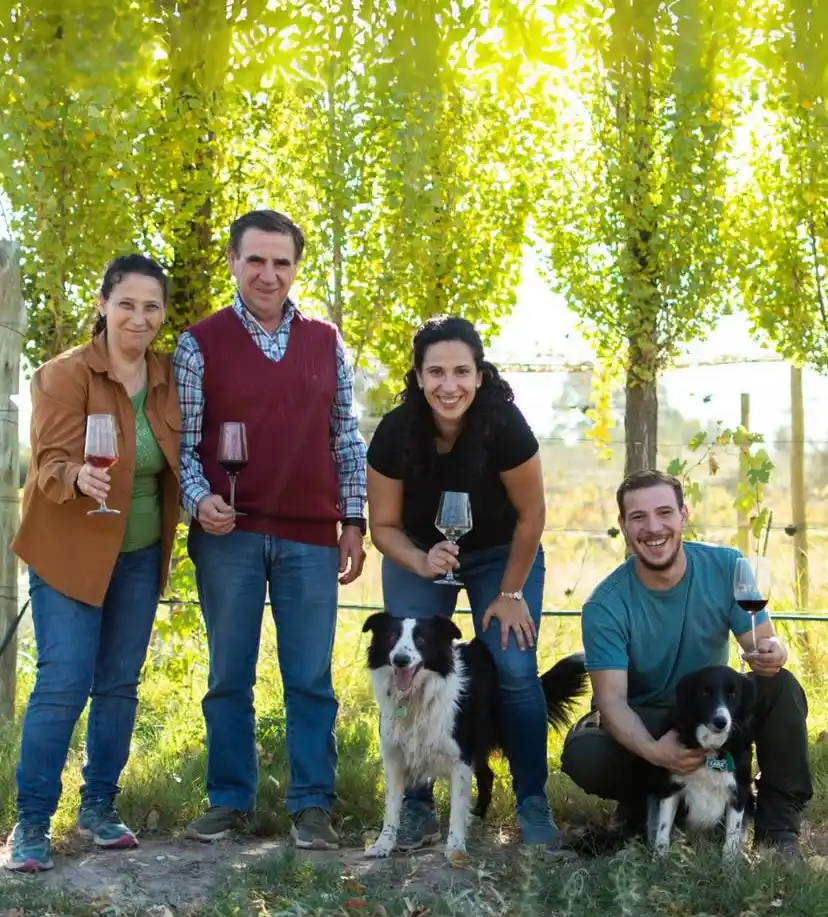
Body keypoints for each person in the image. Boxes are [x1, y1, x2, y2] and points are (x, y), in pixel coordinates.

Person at [173, 209, 367, 849]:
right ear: (233, 262)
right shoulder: (199, 343)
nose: (268, 273)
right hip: (228, 535)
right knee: (230, 673)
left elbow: (345, 437)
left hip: (312, 533)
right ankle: (229, 801)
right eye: (255, 259)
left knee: (309, 677)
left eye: (281, 261)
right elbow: (186, 445)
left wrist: (354, 519)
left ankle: (312, 805)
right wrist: (199, 500)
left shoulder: (327, 341)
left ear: (295, 266)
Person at [366, 314, 573, 856]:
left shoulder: (504, 425)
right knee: (402, 667)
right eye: (435, 372)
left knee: (513, 667)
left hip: (503, 555)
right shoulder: (394, 432)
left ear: (480, 375)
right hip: (420, 553)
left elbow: (532, 516)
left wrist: (509, 594)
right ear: (416, 376)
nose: (449, 384)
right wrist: (420, 558)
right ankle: (416, 810)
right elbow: (382, 527)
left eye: (461, 371)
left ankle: (532, 803)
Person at [6, 255, 181, 873]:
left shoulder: (169, 377)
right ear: (104, 303)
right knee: (63, 683)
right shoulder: (65, 374)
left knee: (118, 684)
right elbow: (49, 459)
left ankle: (100, 807)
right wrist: (77, 475)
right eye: (127, 303)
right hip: (69, 549)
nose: (139, 317)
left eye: (151, 306)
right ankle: (30, 822)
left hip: (136, 556)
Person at [561, 469, 813, 858]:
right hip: (648, 714)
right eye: (638, 517)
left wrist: (773, 651)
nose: (653, 527)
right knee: (586, 754)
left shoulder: (729, 566)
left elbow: (763, 643)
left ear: (684, 514)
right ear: (623, 526)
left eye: (665, 512)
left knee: (779, 684)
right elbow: (611, 703)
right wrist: (654, 750)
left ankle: (777, 827)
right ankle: (645, 799)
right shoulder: (604, 604)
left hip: (712, 707)